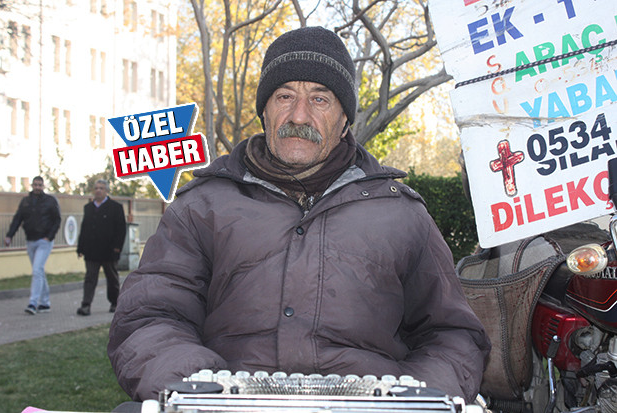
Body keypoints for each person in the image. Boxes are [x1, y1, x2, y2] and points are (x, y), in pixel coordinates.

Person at [108, 26, 490, 404]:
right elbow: (150, 316)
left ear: (345, 119)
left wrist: (413, 400)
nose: (299, 115)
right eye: (284, 96)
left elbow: (452, 335)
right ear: (265, 110)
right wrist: (202, 392)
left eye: (319, 99)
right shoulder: (202, 206)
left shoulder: (402, 214)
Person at [5, 176, 61, 315]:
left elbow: (57, 220)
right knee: (39, 271)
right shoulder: (26, 202)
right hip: (30, 240)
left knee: (36, 270)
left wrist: (49, 236)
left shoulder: (50, 201)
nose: (37, 187)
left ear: (43, 186)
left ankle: (33, 303)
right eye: (35, 185)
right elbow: (18, 219)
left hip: (44, 241)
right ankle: (45, 303)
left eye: (40, 185)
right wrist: (9, 235)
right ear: (32, 185)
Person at [76, 179, 127, 316]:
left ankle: (115, 303)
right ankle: (86, 305)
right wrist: (80, 248)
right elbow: (84, 228)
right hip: (91, 251)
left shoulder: (115, 207)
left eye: (101, 188)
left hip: (109, 251)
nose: (98, 190)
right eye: (96, 188)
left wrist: (117, 247)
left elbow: (121, 229)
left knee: (112, 278)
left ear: (107, 191)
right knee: (90, 278)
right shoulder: (88, 208)